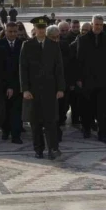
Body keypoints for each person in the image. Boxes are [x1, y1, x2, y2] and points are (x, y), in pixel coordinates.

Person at [20, 16, 66, 159]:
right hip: (33, 91)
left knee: (51, 121)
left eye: (43, 28)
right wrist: (25, 89)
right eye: (38, 28)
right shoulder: (27, 45)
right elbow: (23, 68)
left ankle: (53, 148)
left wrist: (60, 88)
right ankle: (38, 149)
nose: (41, 30)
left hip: (50, 90)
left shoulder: (53, 45)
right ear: (34, 29)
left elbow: (59, 68)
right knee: (35, 122)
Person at [74, 15, 106, 142]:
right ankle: (86, 129)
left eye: (100, 25)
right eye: (96, 24)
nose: (98, 27)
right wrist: (79, 78)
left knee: (102, 110)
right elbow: (79, 60)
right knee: (88, 108)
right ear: (92, 25)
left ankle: (102, 134)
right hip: (88, 80)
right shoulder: (83, 39)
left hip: (102, 80)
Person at [0, 22, 24, 143]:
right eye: (10, 31)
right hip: (3, 84)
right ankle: (5, 131)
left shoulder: (23, 44)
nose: (12, 34)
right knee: (4, 110)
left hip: (18, 83)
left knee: (17, 110)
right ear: (5, 31)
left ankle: (16, 135)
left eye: (14, 31)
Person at [48, 25, 71, 142]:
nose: (56, 40)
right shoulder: (43, 48)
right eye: (53, 37)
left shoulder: (64, 45)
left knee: (62, 109)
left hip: (62, 85)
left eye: (58, 37)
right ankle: (55, 132)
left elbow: (69, 64)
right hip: (48, 86)